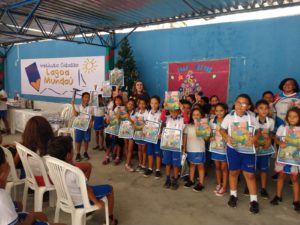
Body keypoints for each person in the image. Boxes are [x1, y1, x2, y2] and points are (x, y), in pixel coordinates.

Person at [47, 136, 118, 224]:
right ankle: (110, 219)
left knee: (86, 186)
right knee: (109, 189)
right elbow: (86, 189)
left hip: (67, 199)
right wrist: (97, 203)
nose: (74, 151)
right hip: (81, 202)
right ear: (68, 155)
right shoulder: (75, 172)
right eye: (72, 149)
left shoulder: (51, 168)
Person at [0, 146, 65, 225]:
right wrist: (29, 219)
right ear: (2, 168)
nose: (8, 164)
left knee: (41, 215)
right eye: (6, 160)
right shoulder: (2, 197)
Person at [220, 94, 260, 214]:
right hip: (233, 149)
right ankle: (233, 195)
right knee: (233, 172)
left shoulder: (252, 117)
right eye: (238, 103)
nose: (240, 106)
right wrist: (227, 137)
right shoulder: (229, 117)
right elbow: (221, 130)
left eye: (243, 104)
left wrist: (254, 139)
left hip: (248, 150)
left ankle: (253, 200)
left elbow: (258, 131)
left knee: (250, 175)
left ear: (248, 106)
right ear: (235, 104)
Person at [270, 107, 300, 212]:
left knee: (294, 179)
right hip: (282, 157)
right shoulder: (282, 127)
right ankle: (278, 196)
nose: (292, 119)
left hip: (295, 159)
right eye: (290, 116)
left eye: (295, 117)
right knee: (281, 176)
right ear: (286, 117)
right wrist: (279, 143)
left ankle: (296, 201)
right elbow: (276, 138)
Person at [160, 103, 188, 190]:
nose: (173, 113)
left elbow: (187, 120)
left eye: (176, 111)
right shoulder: (167, 119)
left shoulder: (181, 119)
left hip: (177, 146)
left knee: (176, 164)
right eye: (171, 111)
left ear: (178, 111)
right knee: (168, 163)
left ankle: (175, 179)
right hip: (167, 145)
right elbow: (161, 118)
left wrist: (182, 109)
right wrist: (165, 108)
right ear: (169, 111)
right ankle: (168, 179)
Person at [183, 108, 208, 192]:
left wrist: (203, 130)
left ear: (201, 115)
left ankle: (201, 183)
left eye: (198, 114)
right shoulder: (189, 125)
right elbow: (185, 136)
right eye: (194, 115)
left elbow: (206, 138)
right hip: (190, 148)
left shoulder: (204, 125)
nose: (195, 116)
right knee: (192, 165)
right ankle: (191, 180)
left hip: (199, 149)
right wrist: (184, 147)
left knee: (200, 166)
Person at [254, 100, 275, 199]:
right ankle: (249, 187)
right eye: (261, 108)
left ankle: (263, 188)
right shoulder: (252, 120)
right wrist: (255, 142)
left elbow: (271, 133)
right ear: (256, 110)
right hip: (254, 148)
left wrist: (269, 141)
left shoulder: (271, 121)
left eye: (266, 108)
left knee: (264, 169)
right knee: (252, 169)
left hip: (265, 149)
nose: (264, 110)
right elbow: (249, 134)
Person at [209, 103, 228, 197]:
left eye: (221, 110)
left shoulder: (228, 121)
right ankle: (219, 183)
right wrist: (210, 137)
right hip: (215, 147)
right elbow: (209, 133)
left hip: (225, 148)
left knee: (224, 168)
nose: (219, 113)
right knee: (217, 167)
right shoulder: (212, 121)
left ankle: (224, 187)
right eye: (217, 111)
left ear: (225, 111)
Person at [71, 92, 94, 162]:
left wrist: (91, 123)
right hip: (79, 126)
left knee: (86, 140)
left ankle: (85, 152)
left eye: (88, 97)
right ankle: (78, 154)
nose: (87, 99)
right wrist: (72, 105)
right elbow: (75, 114)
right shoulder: (79, 106)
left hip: (87, 127)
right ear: (82, 98)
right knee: (78, 140)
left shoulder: (91, 108)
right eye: (85, 97)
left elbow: (92, 117)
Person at [144, 96, 162, 178]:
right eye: (152, 103)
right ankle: (150, 168)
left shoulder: (161, 114)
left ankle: (158, 169)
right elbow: (145, 124)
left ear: (159, 104)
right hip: (149, 137)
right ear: (150, 104)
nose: (154, 105)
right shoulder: (147, 113)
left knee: (158, 154)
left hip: (157, 138)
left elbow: (163, 125)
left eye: (156, 103)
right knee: (150, 152)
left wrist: (161, 133)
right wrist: (144, 131)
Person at [102, 96, 124, 165]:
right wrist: (107, 119)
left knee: (118, 143)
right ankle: (107, 157)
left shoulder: (123, 108)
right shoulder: (112, 109)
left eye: (119, 100)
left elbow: (118, 119)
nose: (117, 102)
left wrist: (118, 112)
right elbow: (108, 120)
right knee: (109, 143)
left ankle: (117, 157)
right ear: (114, 102)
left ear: (121, 101)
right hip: (111, 129)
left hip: (119, 129)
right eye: (116, 100)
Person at [134, 98, 149, 173]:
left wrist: (144, 127)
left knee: (144, 150)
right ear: (138, 104)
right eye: (140, 103)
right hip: (138, 134)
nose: (142, 105)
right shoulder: (137, 113)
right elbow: (135, 123)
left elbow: (149, 124)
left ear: (146, 104)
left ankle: (143, 165)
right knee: (139, 149)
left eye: (143, 103)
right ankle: (140, 164)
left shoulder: (148, 114)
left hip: (144, 134)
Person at [123, 98, 136, 172]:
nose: (130, 105)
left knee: (130, 149)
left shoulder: (135, 113)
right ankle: (128, 161)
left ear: (134, 106)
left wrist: (129, 118)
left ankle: (127, 164)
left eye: (132, 104)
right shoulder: (124, 111)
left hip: (131, 132)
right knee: (126, 147)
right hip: (125, 131)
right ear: (126, 104)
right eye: (129, 104)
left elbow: (135, 124)